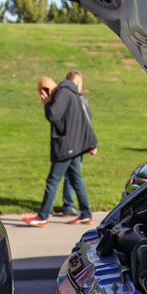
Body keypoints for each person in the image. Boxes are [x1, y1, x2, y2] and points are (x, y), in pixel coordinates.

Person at [24, 71, 97, 227]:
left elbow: (53, 115)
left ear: (47, 89)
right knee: (77, 179)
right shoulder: (75, 94)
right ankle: (86, 214)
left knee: (53, 181)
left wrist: (47, 103)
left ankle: (42, 217)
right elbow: (86, 119)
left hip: (66, 146)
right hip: (76, 146)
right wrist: (92, 143)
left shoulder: (63, 93)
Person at [56, 71, 95, 217]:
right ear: (77, 82)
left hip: (73, 143)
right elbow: (88, 122)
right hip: (78, 144)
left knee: (72, 174)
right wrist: (92, 143)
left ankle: (72, 205)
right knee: (74, 174)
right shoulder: (79, 99)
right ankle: (76, 207)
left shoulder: (67, 97)